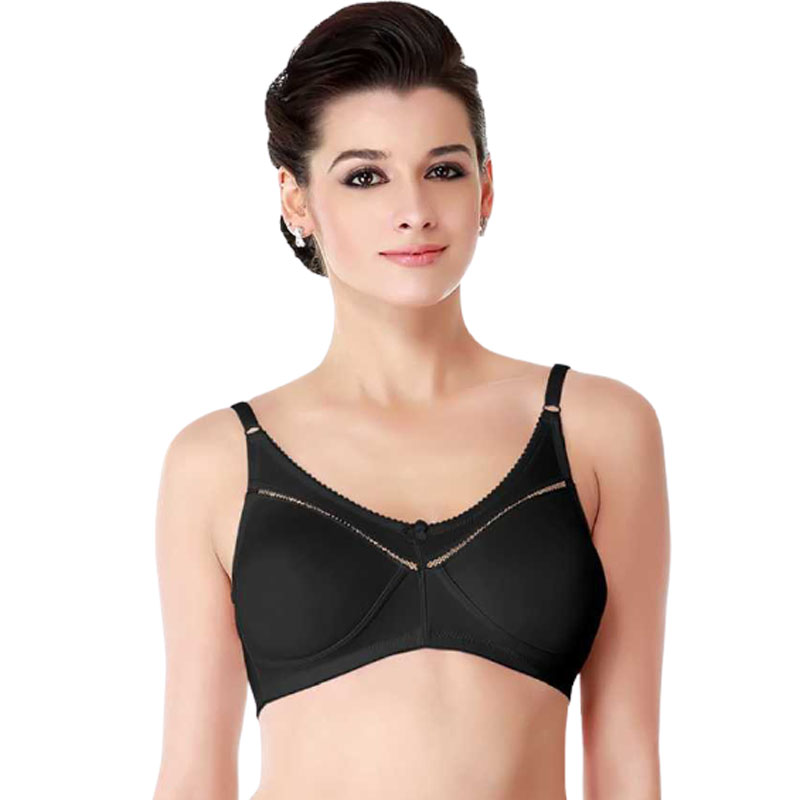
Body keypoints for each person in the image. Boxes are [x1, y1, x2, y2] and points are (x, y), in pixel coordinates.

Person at [152, 3, 670, 798]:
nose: (415, 210)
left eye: (444, 169)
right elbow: (193, 777)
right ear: (296, 199)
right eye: (365, 176)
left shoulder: (599, 430)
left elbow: (628, 767)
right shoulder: (216, 462)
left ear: (486, 187)